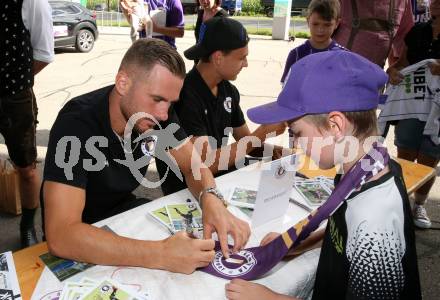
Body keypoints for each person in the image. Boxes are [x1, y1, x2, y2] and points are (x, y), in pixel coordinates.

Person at [42, 39, 250, 274]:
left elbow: (193, 166)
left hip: (124, 216)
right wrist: (162, 254)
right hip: (82, 234)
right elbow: (62, 235)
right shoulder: (76, 124)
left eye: (171, 103)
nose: (163, 114)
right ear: (123, 83)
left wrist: (211, 197)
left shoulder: (157, 113)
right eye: (158, 99)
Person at [225, 51, 421, 299]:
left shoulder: (373, 221)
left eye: (297, 132)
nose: (296, 143)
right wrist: (292, 246)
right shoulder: (366, 167)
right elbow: (340, 230)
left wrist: (271, 298)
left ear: (335, 126)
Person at [156, 18, 286, 195]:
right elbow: (205, 163)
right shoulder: (184, 95)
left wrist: (276, 151)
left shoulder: (228, 91)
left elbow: (246, 141)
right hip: (188, 189)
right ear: (218, 58)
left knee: (275, 183)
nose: (246, 64)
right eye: (242, 57)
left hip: (219, 177)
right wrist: (262, 133)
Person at [0, 0, 54, 248]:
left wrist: (16, 80)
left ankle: (28, 225)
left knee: (26, 168)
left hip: (15, 98)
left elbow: (43, 54)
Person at [383, 0, 440, 229]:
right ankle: (401, 200)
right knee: (405, 154)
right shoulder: (418, 31)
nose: (436, 5)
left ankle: (419, 204)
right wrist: (394, 71)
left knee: (429, 158)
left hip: (437, 110)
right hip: (410, 105)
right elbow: (401, 62)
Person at [333, 0, 414, 67]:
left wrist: (396, 68)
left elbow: (407, 42)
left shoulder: (400, 2)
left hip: (375, 82)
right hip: (338, 76)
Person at [280, 0, 345, 84]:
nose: (320, 30)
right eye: (315, 24)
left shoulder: (344, 57)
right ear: (308, 21)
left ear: (337, 23)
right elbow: (287, 89)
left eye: (327, 25)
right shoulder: (296, 55)